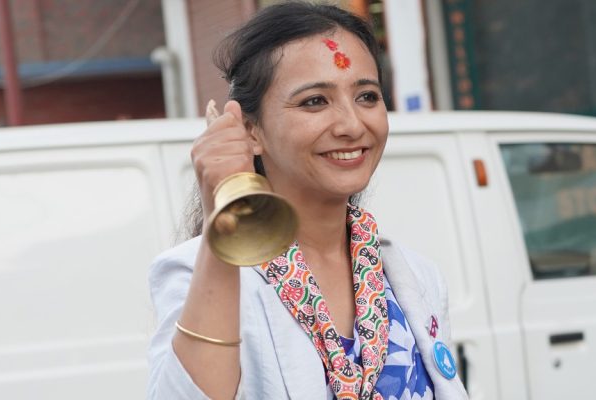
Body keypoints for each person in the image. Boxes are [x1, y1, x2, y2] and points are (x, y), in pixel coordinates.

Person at [147, 3, 469, 399]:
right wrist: (224, 225)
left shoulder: (415, 277)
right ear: (251, 131)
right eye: (315, 101)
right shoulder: (204, 273)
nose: (352, 125)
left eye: (367, 96)